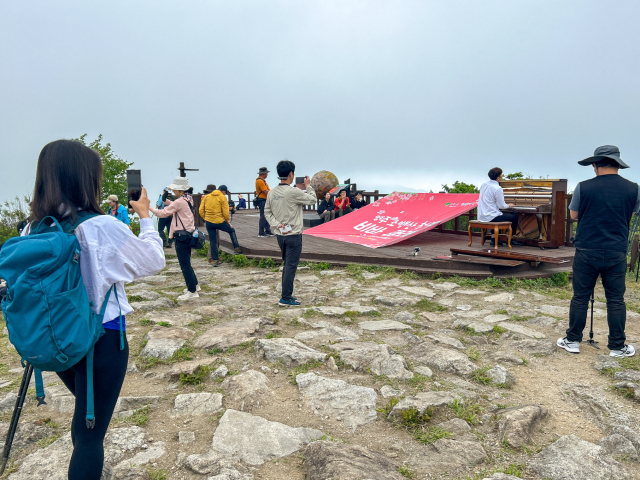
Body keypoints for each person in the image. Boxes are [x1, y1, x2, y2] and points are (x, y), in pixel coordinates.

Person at [23, 139, 165, 480]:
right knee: (89, 435)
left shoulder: (32, 230)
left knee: (87, 415)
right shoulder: (102, 227)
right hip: (101, 341)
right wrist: (146, 217)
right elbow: (153, 261)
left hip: (56, 341)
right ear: (87, 179)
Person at [557, 145, 640, 357]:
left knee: (580, 297)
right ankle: (617, 346)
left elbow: (574, 215)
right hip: (616, 250)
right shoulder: (634, 188)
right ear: (618, 165)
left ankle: (573, 340)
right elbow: (631, 212)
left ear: (595, 165)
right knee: (616, 299)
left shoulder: (583, 187)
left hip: (587, 249)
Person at [265, 160, 317, 306]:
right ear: (290, 174)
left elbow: (267, 212)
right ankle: (286, 297)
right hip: (293, 234)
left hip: (280, 234)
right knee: (290, 266)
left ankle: (286, 294)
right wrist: (308, 186)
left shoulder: (272, 192)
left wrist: (276, 224)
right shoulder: (294, 191)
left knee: (287, 264)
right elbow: (312, 200)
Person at [150, 177, 200, 300]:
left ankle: (192, 291)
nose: (173, 191)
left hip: (181, 236)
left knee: (184, 264)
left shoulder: (180, 201)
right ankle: (195, 285)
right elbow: (176, 205)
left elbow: (162, 213)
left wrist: (148, 208)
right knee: (187, 262)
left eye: (174, 189)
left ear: (178, 189)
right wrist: (165, 200)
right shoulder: (188, 199)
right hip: (189, 233)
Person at [477, 168, 523, 246]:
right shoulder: (497, 188)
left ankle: (494, 239)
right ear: (498, 178)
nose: (502, 177)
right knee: (514, 217)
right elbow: (501, 206)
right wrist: (509, 205)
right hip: (490, 216)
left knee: (497, 214)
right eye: (501, 175)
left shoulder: (484, 185)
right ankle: (511, 239)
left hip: (482, 215)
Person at [199, 185, 243, 266]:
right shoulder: (222, 197)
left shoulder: (207, 197)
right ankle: (236, 248)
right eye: (225, 192)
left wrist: (205, 218)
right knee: (231, 230)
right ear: (223, 191)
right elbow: (225, 212)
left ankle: (215, 260)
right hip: (219, 221)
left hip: (209, 222)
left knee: (212, 241)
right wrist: (227, 221)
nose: (225, 194)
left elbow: (201, 210)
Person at [255, 167, 275, 237]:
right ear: (264, 174)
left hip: (264, 200)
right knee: (263, 216)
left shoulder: (262, 180)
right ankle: (261, 232)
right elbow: (265, 191)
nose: (267, 175)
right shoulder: (260, 181)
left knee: (267, 215)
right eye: (266, 173)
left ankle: (267, 231)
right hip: (262, 200)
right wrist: (273, 195)